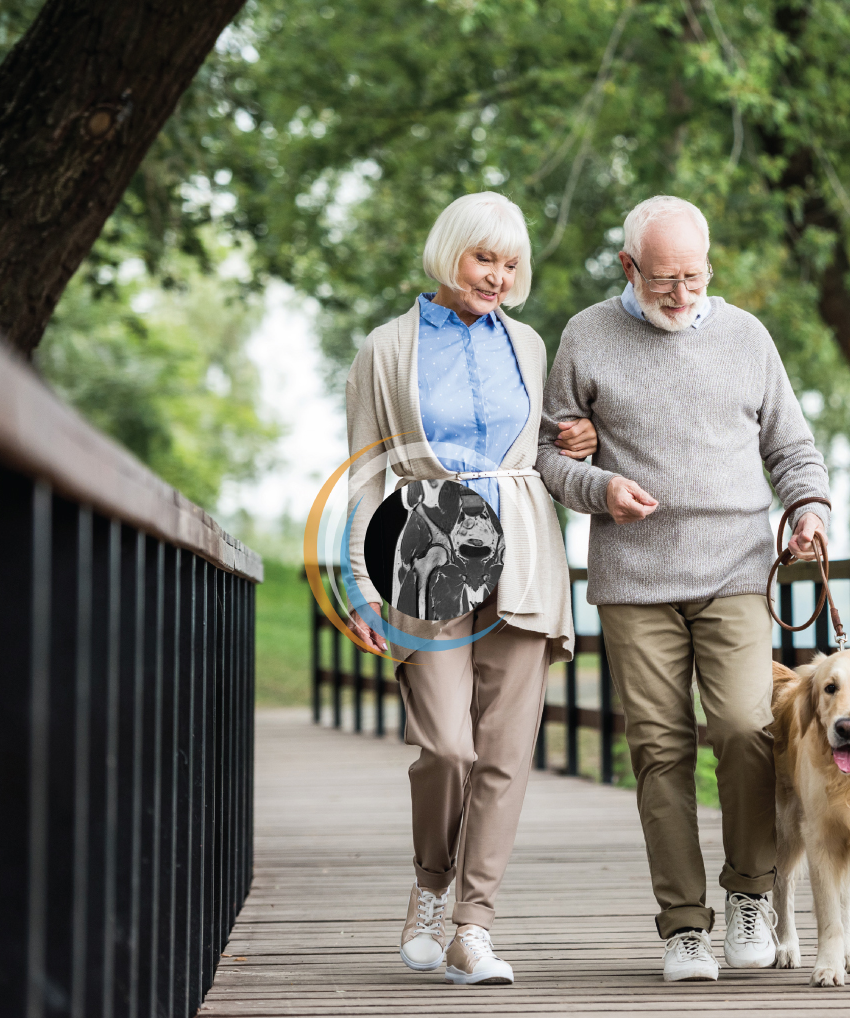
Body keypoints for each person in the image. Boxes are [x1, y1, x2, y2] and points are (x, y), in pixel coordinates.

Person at [539, 195, 830, 982]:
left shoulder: (745, 336)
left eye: (694, 277)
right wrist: (598, 487)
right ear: (629, 267)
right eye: (663, 279)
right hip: (634, 576)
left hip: (735, 566)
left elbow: (792, 447)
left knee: (743, 727)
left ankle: (750, 893)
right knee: (659, 748)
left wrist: (807, 510)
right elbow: (545, 453)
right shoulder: (587, 335)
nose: (680, 294)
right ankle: (682, 926)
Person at [344, 191, 596, 986]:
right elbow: (363, 470)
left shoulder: (528, 342)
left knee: (504, 752)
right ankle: (428, 885)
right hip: (424, 543)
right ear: (449, 251)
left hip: (521, 546)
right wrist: (358, 581)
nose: (497, 275)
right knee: (448, 745)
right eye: (484, 257)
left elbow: (546, 441)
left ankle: (472, 925)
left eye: (510, 263)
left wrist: (578, 439)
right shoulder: (388, 349)